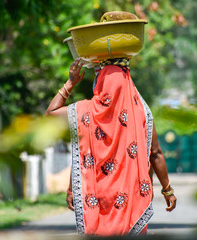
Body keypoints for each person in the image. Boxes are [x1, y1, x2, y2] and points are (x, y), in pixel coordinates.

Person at [46, 57, 177, 236]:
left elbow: (53, 115)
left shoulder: (85, 112)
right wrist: (167, 190)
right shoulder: (142, 113)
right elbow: (155, 153)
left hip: (96, 197)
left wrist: (71, 82)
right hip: (131, 199)